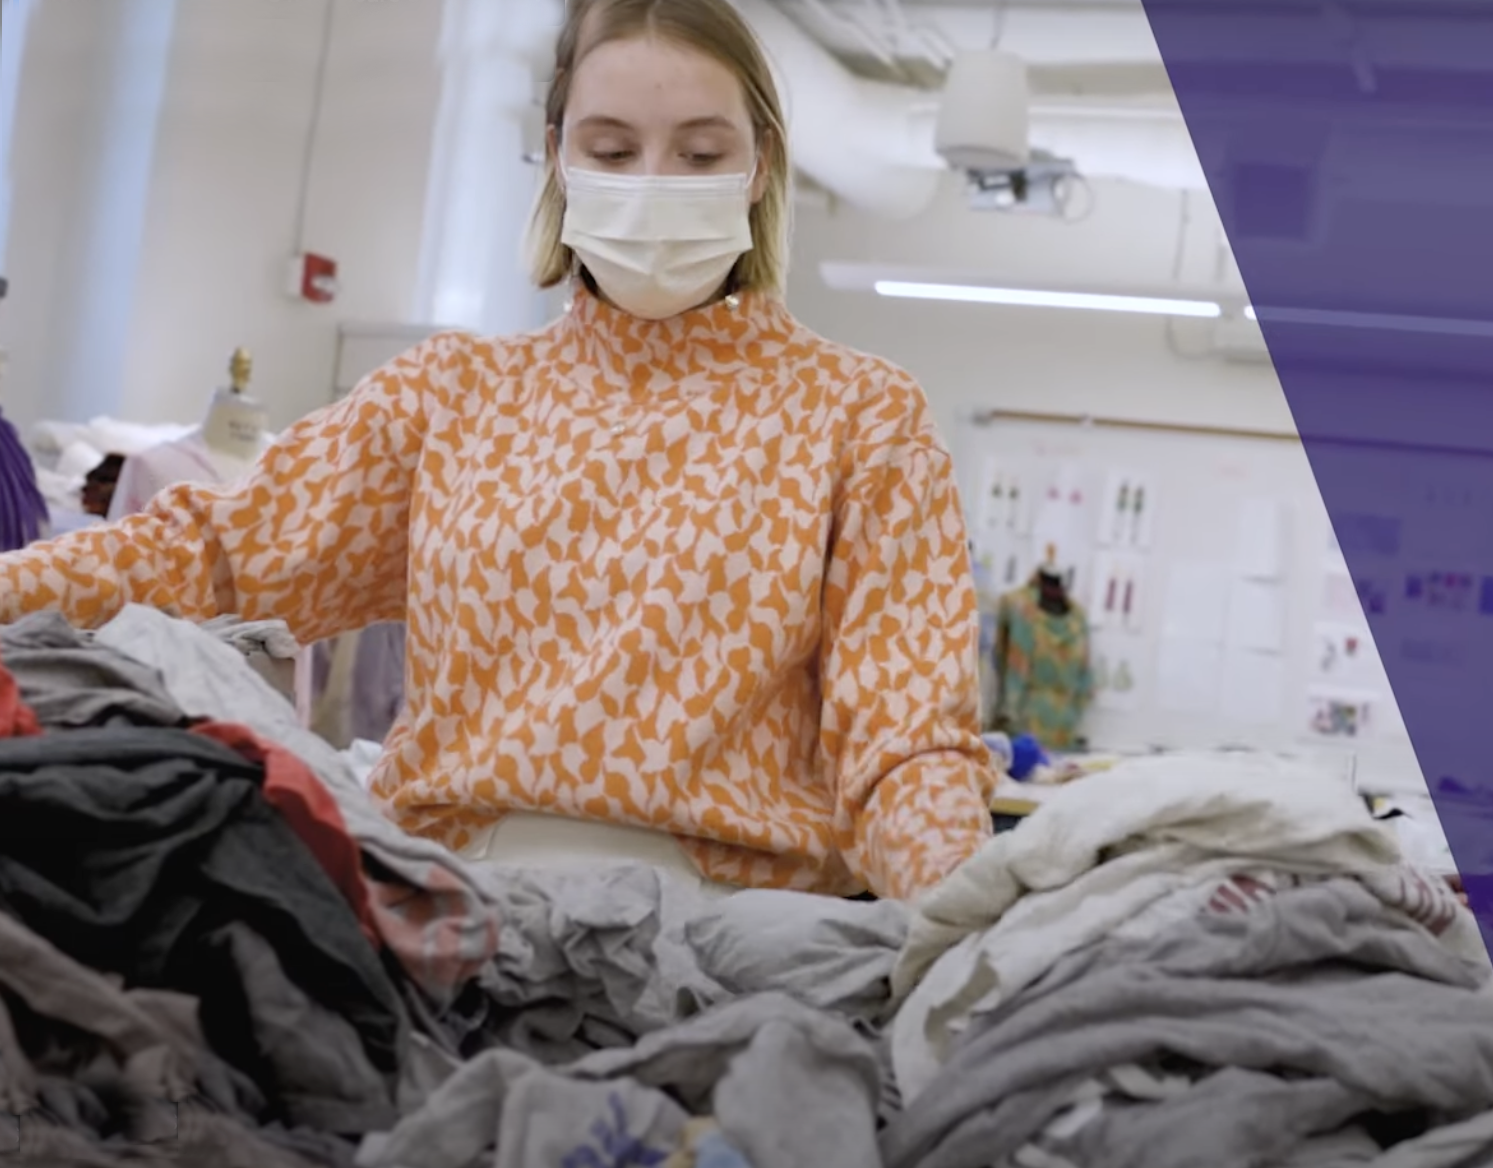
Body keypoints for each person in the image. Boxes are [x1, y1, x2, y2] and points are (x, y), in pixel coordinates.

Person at [0, 0, 997, 899]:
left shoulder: (860, 419)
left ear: (761, 165)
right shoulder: (450, 401)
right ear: (558, 156)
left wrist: (963, 916)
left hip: (733, 947)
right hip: (452, 924)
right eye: (613, 151)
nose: (654, 185)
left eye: (699, 156)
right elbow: (213, 556)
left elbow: (905, 743)